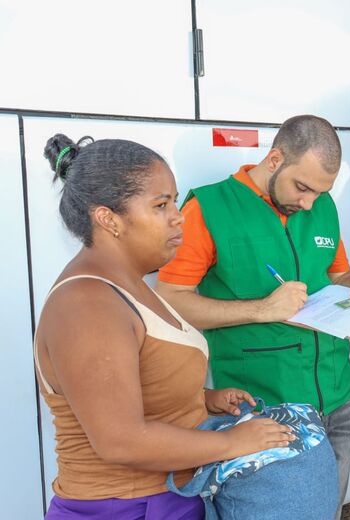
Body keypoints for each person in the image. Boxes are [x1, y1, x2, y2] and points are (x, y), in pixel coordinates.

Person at [36, 134, 296, 519]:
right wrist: (234, 443)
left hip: (168, 496)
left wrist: (203, 400)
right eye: (161, 204)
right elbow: (120, 440)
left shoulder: (132, 282)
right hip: (122, 508)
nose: (178, 215)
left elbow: (133, 386)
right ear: (108, 219)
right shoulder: (86, 304)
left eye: (174, 200)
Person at [156, 114, 350, 515]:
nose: (309, 203)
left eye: (319, 193)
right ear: (275, 159)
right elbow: (170, 300)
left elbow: (337, 273)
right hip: (268, 407)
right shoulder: (208, 206)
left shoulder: (320, 204)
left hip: (339, 395)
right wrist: (262, 309)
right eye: (303, 187)